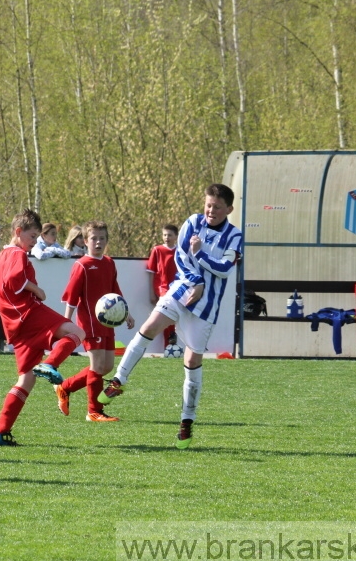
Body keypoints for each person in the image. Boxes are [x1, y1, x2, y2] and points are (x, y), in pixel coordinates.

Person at [98, 184, 242, 449]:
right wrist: (196, 281)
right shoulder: (193, 222)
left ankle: (187, 422)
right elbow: (181, 257)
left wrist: (201, 255)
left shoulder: (234, 236)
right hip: (182, 289)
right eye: (208, 204)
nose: (210, 210)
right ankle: (119, 380)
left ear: (229, 209)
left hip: (206, 307)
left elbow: (224, 268)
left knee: (192, 359)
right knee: (150, 326)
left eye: (217, 207)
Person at [0, 209, 86, 445]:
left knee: (26, 380)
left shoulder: (2, 256)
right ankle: (50, 363)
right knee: (77, 332)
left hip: (16, 326)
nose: (35, 242)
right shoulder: (17, 254)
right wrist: (37, 289)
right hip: (28, 314)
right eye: (32, 236)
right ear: (18, 232)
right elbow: (14, 280)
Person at [55, 221, 135, 422]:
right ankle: (94, 411)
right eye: (93, 238)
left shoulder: (109, 263)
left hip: (107, 323)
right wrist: (66, 323)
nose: (98, 242)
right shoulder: (81, 265)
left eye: (102, 238)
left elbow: (115, 291)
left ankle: (65, 387)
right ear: (85, 240)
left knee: (105, 367)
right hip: (89, 323)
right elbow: (71, 297)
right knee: (98, 366)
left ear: (107, 241)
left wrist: (127, 313)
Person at [145, 224, 179, 348]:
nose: (166, 237)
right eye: (164, 235)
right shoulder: (157, 250)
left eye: (169, 235)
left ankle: (171, 342)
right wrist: (151, 293)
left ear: (176, 236)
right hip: (163, 289)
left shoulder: (179, 251)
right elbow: (151, 272)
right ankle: (169, 343)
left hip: (177, 289)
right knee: (166, 315)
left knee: (173, 316)